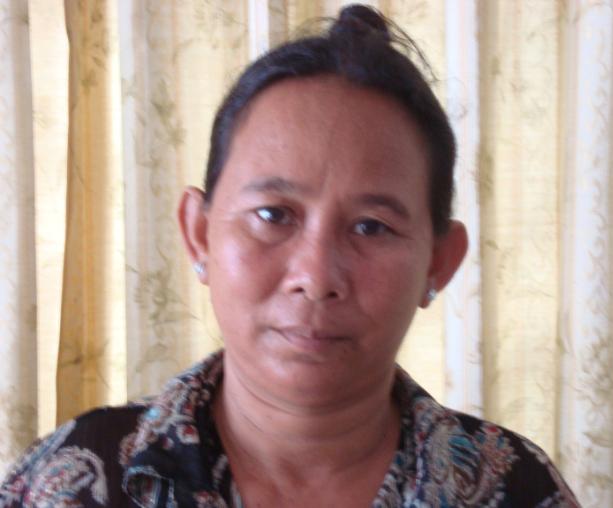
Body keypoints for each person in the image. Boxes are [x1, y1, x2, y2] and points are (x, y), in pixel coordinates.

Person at [0, 4, 579, 507]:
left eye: (371, 227)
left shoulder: (516, 489)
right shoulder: (74, 480)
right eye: (274, 215)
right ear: (199, 234)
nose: (316, 275)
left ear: (439, 262)